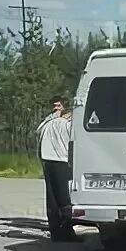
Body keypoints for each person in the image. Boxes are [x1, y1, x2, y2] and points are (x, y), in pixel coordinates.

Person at [36, 97, 80, 242]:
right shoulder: (68, 125)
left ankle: (55, 231)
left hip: (47, 161)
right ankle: (67, 230)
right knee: (65, 198)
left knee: (52, 199)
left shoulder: (46, 124)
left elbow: (38, 132)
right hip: (61, 161)